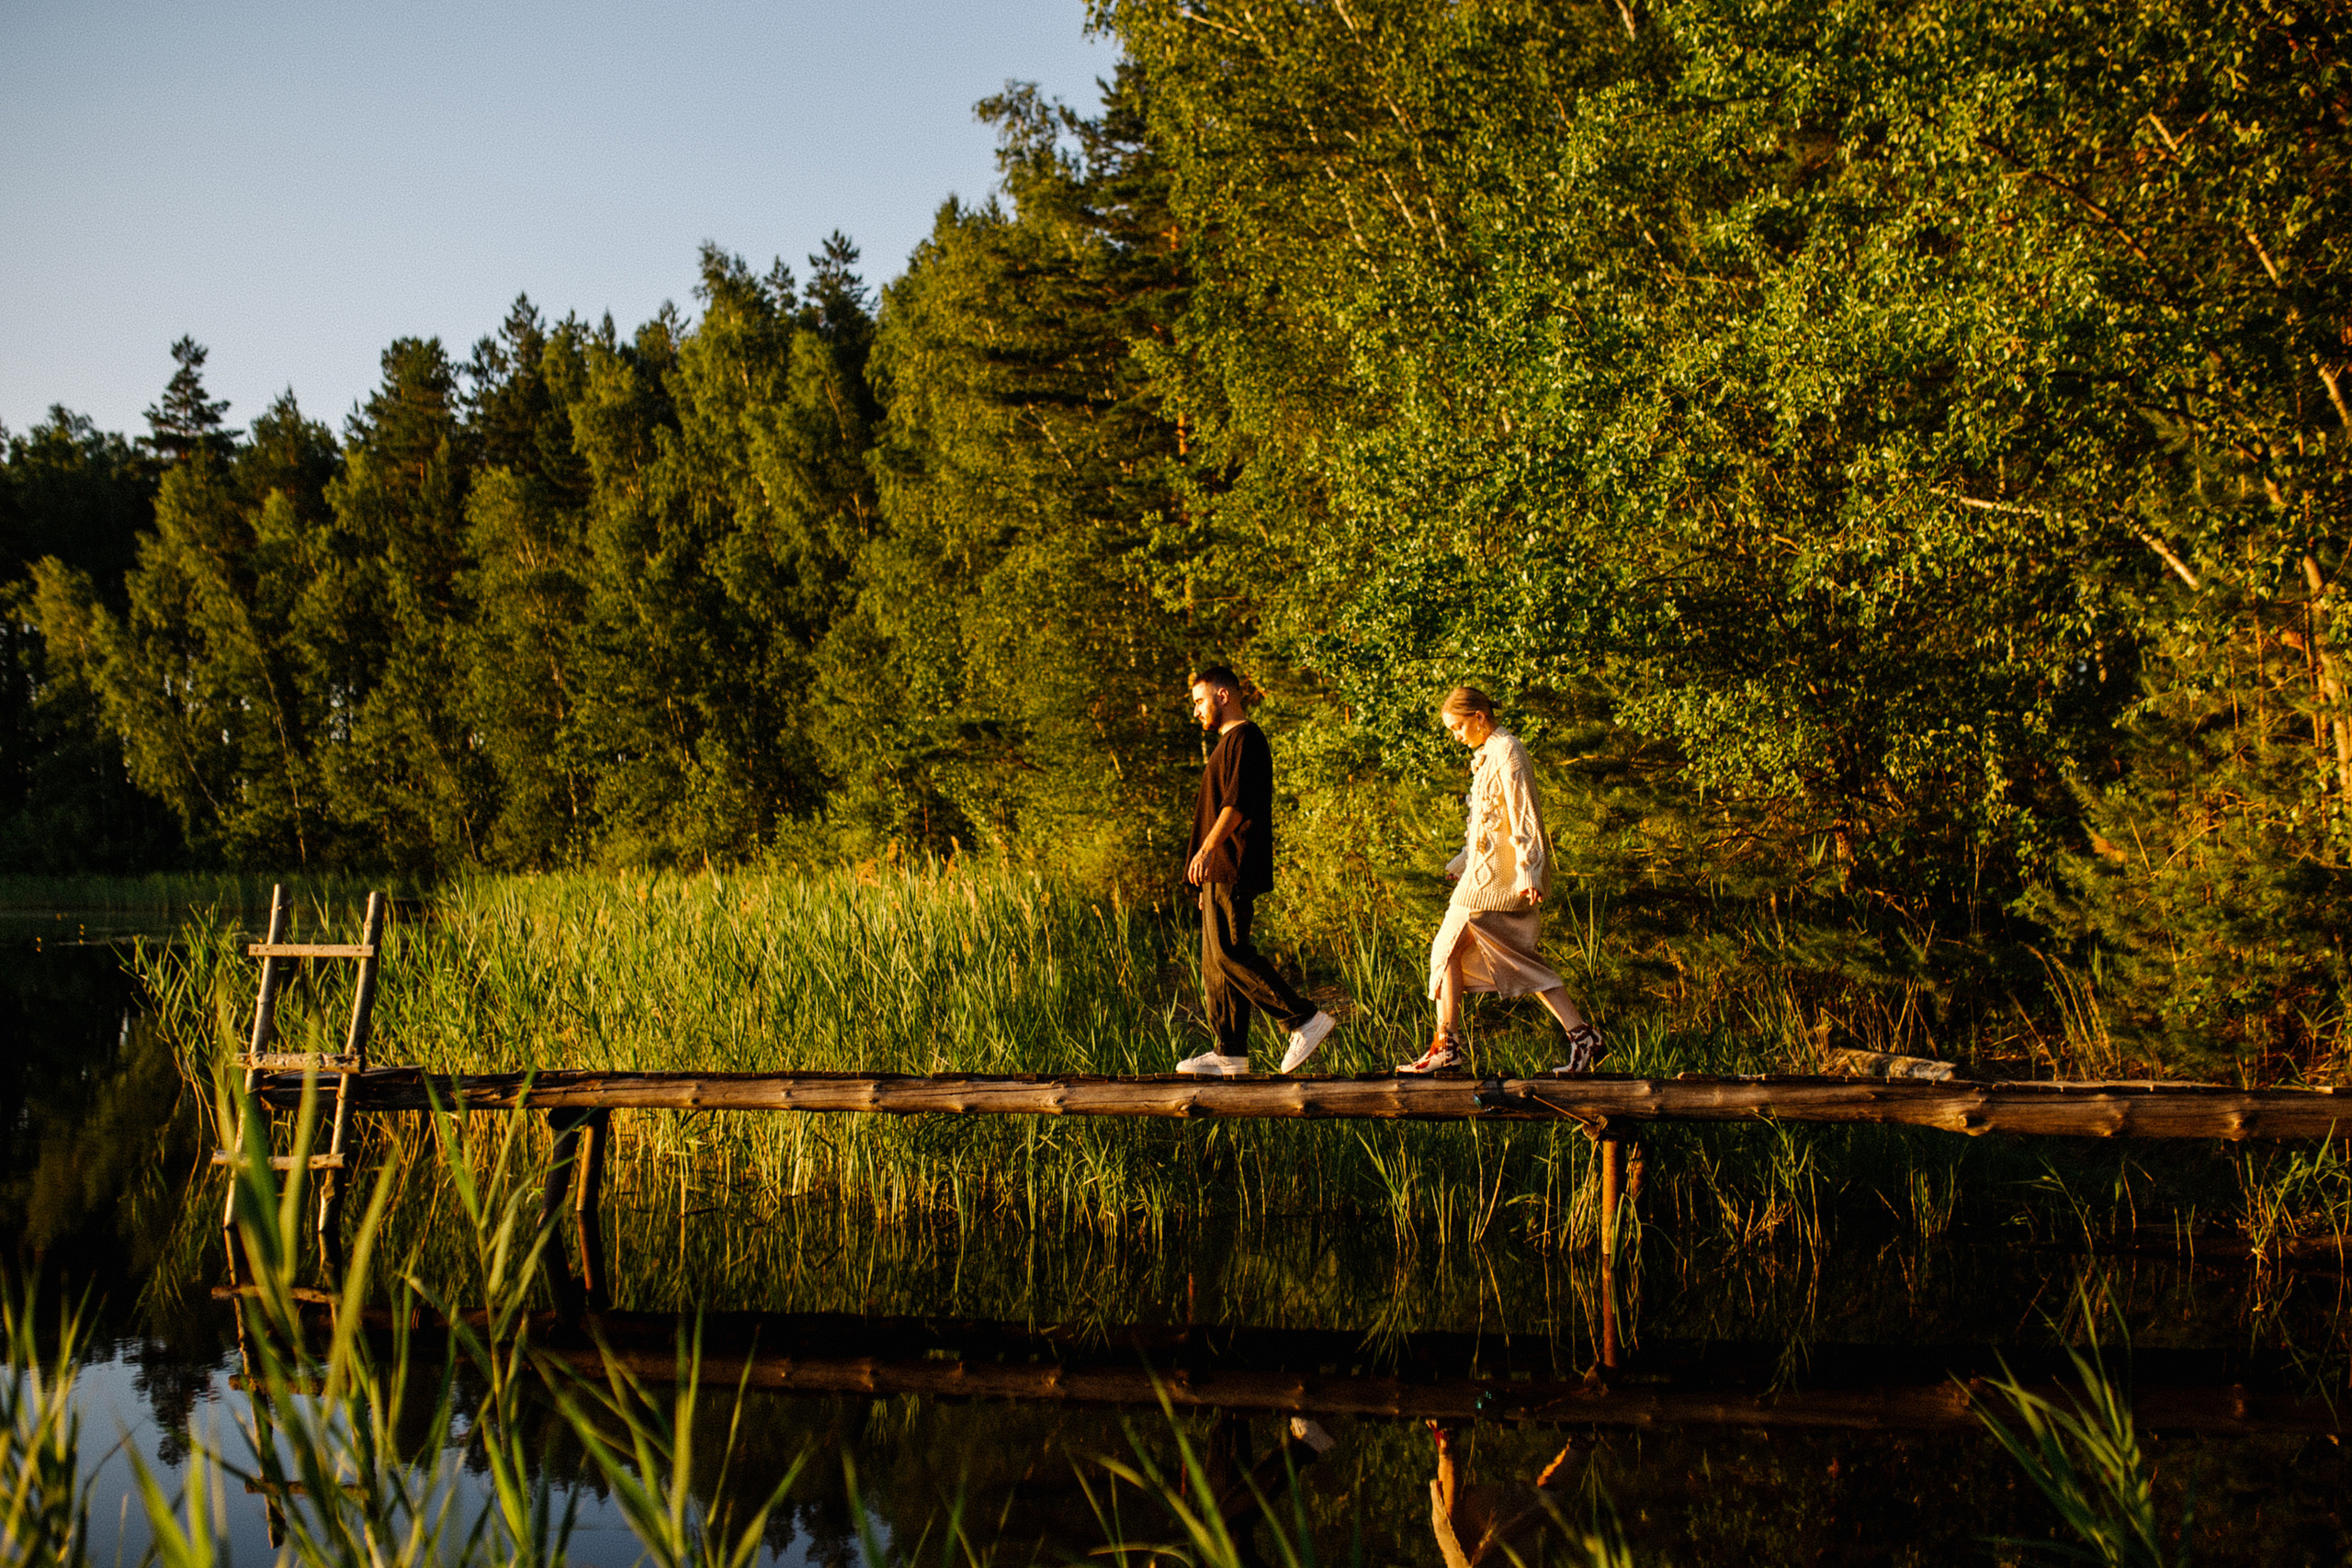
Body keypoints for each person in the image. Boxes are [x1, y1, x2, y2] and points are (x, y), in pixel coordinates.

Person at [1400, 685, 1605, 1075]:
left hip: (1495, 884)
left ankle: (1447, 1047)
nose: (1456, 736)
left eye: (1458, 726)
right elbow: (1488, 825)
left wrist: (1530, 870)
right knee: (1513, 961)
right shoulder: (1489, 755)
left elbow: (1525, 815)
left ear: (1479, 717)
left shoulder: (1508, 751)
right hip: (1483, 878)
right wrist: (1464, 860)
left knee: (1446, 951)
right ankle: (1583, 1037)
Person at [1176, 664, 1338, 1077]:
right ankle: (1229, 1052)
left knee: (1230, 952)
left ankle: (1303, 1018)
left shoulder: (1246, 738)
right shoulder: (1225, 744)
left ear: (1223, 695)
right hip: (1215, 872)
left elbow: (1237, 803)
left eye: (1200, 701)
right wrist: (1203, 878)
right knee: (1215, 963)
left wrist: (1208, 850)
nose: (1196, 711)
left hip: (1232, 863)